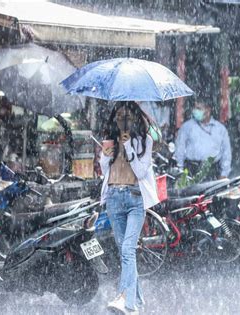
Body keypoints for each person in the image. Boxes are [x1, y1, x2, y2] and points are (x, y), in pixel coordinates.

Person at [100, 101, 159, 314]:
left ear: (135, 118)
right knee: (123, 251)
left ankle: (125, 299)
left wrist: (129, 147)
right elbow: (105, 170)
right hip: (114, 198)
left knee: (127, 249)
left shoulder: (145, 141)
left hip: (135, 199)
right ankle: (138, 300)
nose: (122, 121)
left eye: (127, 116)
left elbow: (141, 172)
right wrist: (106, 154)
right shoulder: (111, 140)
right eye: (118, 116)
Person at [174, 98, 231, 179]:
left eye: (199, 108)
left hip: (212, 171)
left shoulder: (220, 129)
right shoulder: (187, 127)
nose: (195, 111)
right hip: (191, 170)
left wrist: (224, 173)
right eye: (195, 108)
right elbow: (180, 149)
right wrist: (180, 170)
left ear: (208, 110)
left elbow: (226, 153)